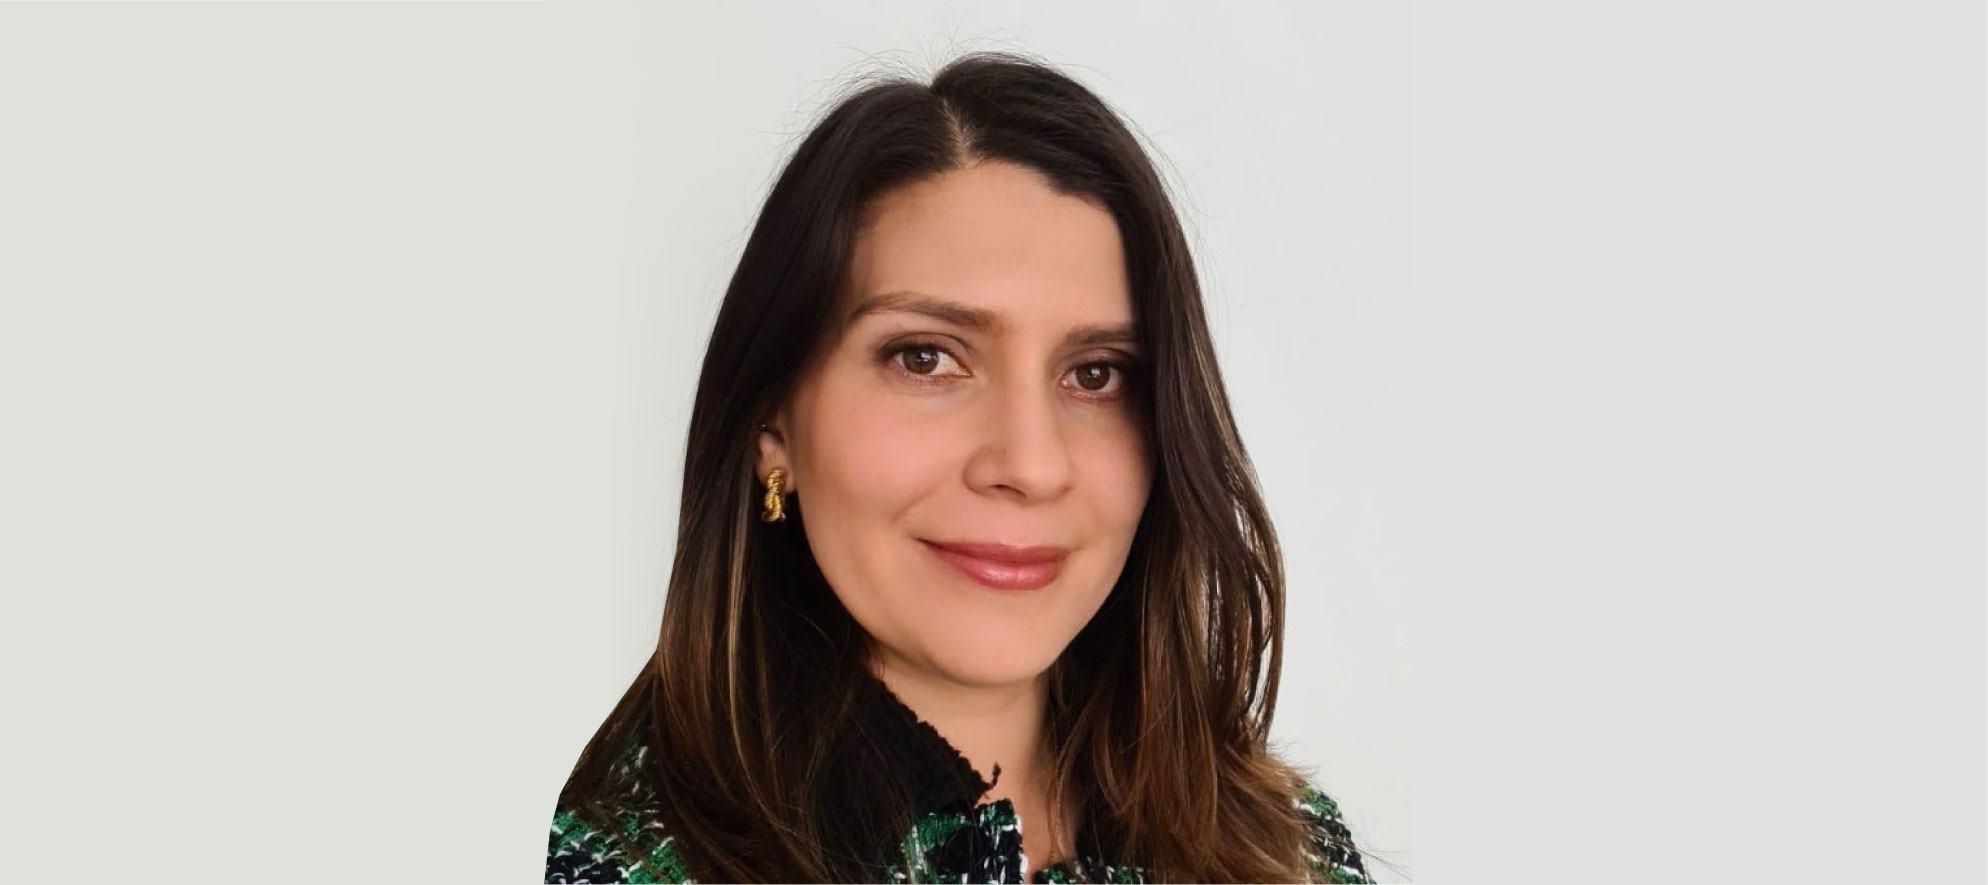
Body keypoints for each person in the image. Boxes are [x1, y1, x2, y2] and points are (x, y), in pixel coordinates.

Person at [545, 50, 1376, 884]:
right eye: (926, 358)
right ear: (772, 425)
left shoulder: (1294, 850)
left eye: (1096, 374)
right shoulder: (608, 864)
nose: (1031, 464)